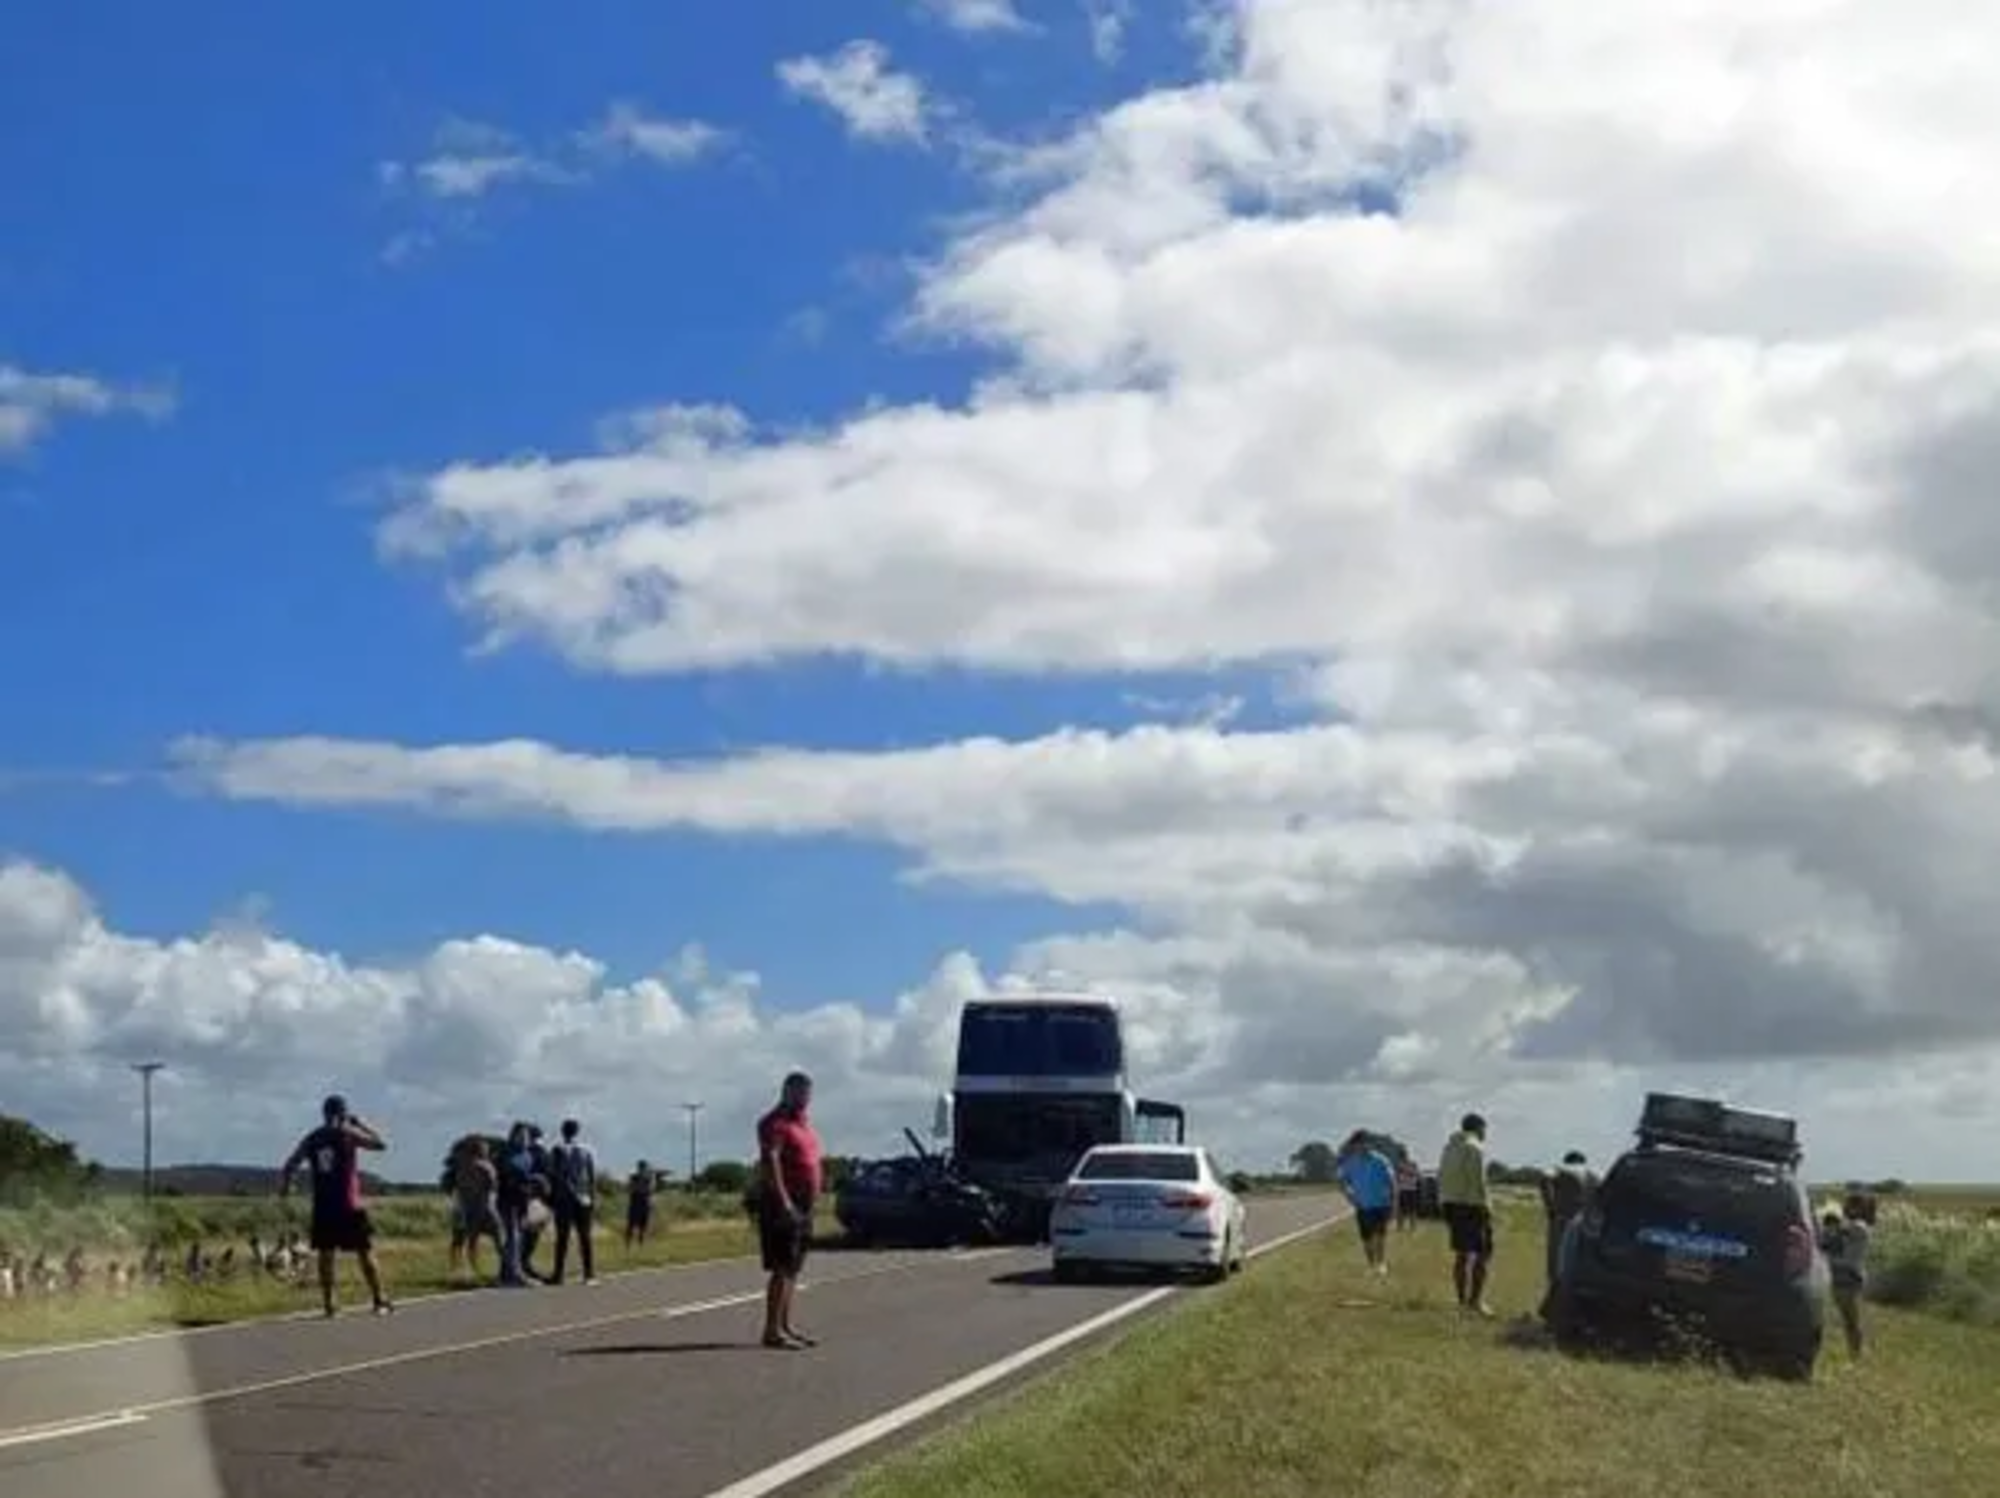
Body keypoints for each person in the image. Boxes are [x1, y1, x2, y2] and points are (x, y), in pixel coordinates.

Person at [278, 1094, 393, 1318]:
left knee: (326, 1255)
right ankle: (380, 1299)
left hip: (323, 1204)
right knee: (365, 1252)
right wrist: (360, 1123)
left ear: (324, 1114)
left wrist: (286, 1187)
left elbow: (290, 1164)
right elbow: (380, 1144)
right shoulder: (347, 1133)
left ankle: (330, 1304)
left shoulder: (312, 1138)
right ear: (343, 1114)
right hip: (349, 1203)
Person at [754, 1070, 823, 1350]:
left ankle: (785, 1325)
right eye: (799, 1093)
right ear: (786, 1092)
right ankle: (771, 1330)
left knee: (793, 1268)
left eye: (807, 1094)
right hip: (783, 1203)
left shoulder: (803, 1124)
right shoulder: (775, 1123)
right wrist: (784, 1202)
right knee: (782, 1266)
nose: (804, 1099)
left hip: (805, 1204)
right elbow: (771, 1161)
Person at [1438, 1112, 1495, 1317]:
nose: (1485, 1133)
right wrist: (1487, 1206)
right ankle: (1476, 1301)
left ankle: (1461, 1299)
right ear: (1478, 1128)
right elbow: (1479, 1182)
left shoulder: (1448, 1147)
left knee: (1461, 1254)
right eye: (1484, 1129)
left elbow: (1441, 1176)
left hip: (1450, 1204)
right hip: (1472, 1205)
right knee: (1483, 1253)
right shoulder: (1475, 1148)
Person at [1335, 1131, 1398, 1275]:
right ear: (1355, 1146)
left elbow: (1392, 1183)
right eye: (1358, 1144)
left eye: (1364, 1143)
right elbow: (1341, 1180)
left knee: (1380, 1235)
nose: (1362, 1146)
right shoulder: (1351, 1162)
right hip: (1362, 1205)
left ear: (1369, 1143)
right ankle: (1370, 1265)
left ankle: (1381, 1263)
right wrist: (1349, 1196)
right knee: (1367, 1238)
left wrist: (1394, 1204)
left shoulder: (1381, 1160)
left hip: (1381, 1204)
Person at [1821, 1191, 1875, 1359]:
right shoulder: (1853, 1226)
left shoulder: (1858, 1227)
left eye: (1849, 1205)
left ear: (1858, 1208)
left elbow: (1845, 1253)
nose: (1845, 1208)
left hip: (1849, 1276)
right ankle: (1855, 1353)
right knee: (1849, 1320)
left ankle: (1856, 1354)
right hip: (1844, 1275)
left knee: (1851, 1320)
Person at [549, 1117, 599, 1285]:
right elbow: (592, 1177)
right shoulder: (587, 1150)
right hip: (584, 1198)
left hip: (564, 1199)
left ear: (562, 1131)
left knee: (562, 1238)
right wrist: (592, 1197)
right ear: (577, 1131)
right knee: (585, 1237)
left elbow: (555, 1176)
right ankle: (589, 1274)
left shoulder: (557, 1149)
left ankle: (558, 1275)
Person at [1539, 1150, 1597, 1294]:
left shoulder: (1561, 1168)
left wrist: (1550, 1206)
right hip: (1584, 1224)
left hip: (1562, 1220)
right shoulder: (1591, 1173)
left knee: (1556, 1263)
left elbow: (1544, 1177)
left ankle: (1555, 1300)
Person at [626, 1160, 657, 1248]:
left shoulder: (649, 1178)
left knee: (643, 1225)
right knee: (631, 1225)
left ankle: (641, 1244)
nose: (642, 1169)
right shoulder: (634, 1177)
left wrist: (652, 1177)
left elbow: (651, 1189)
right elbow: (630, 1188)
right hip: (635, 1203)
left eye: (644, 1167)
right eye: (641, 1167)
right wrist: (640, 1187)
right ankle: (628, 1244)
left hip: (645, 1203)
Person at [1395, 1154, 1423, 1233]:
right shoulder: (1399, 1165)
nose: (1404, 1157)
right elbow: (1397, 1177)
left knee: (1412, 1210)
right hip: (1402, 1190)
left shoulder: (1413, 1164)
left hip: (1412, 1190)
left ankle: (1413, 1227)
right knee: (1400, 1210)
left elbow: (1418, 1176)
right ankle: (1399, 1227)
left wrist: (1410, 1173)